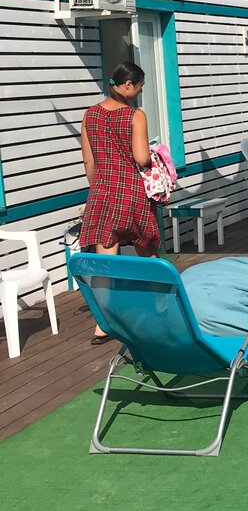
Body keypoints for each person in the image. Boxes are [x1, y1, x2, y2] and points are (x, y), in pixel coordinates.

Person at [80, 61, 161, 344]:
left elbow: (88, 161)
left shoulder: (90, 115)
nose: (140, 91)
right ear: (128, 85)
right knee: (147, 249)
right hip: (130, 189)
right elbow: (141, 158)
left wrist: (99, 187)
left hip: (102, 191)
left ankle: (102, 324)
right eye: (139, 86)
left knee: (105, 259)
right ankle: (161, 305)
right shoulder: (135, 115)